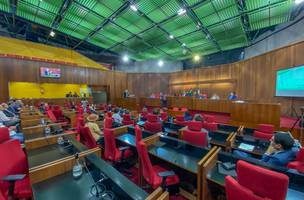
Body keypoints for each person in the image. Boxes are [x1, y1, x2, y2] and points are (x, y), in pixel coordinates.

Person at [234, 132, 300, 167]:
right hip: (270, 158)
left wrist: (268, 152)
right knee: (245, 153)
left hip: (260, 165)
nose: (270, 140)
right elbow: (295, 143)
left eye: (272, 140)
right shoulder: (294, 149)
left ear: (279, 145)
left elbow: (262, 165)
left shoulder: (277, 159)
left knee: (236, 152)